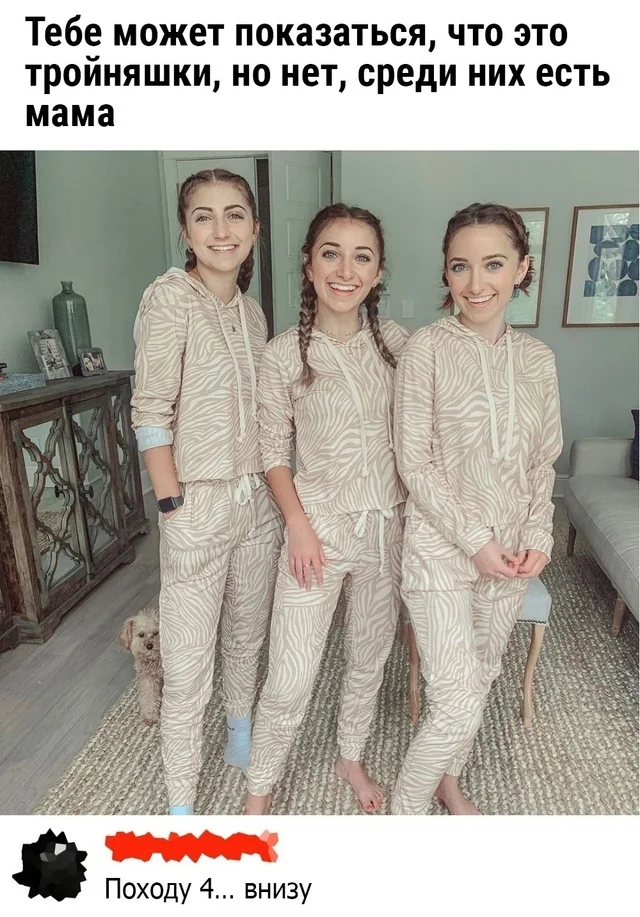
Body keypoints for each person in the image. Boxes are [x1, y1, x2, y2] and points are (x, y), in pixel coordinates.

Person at [391, 202, 562, 816]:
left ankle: (449, 779)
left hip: (510, 552)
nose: (476, 282)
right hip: (440, 551)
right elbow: (415, 463)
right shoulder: (426, 350)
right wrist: (474, 541)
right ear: (445, 272)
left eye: (493, 264)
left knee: (484, 674)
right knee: (457, 695)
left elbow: (542, 461)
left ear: (522, 268)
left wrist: (539, 534)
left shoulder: (538, 360)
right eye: (460, 266)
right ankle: (405, 812)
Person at [243, 203, 410, 815]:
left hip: (387, 530)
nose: (346, 270)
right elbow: (272, 451)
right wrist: (297, 525)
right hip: (316, 529)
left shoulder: (399, 346)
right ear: (309, 265)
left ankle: (349, 757)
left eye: (362, 257)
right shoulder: (282, 354)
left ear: (378, 271)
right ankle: (259, 789)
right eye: (331, 254)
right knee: (290, 673)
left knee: (368, 657)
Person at [130, 169, 283, 815]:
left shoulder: (252, 312)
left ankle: (240, 733)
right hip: (196, 502)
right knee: (188, 661)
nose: (221, 230)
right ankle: (181, 804)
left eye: (234, 214)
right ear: (186, 230)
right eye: (203, 216)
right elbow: (150, 410)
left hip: (257, 505)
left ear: (255, 228)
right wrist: (172, 506)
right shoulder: (169, 299)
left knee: (247, 632)